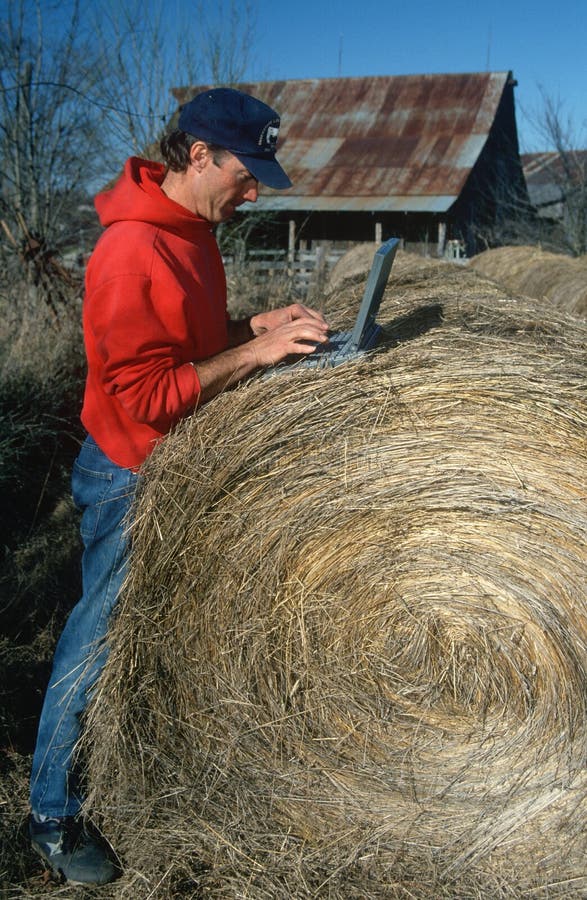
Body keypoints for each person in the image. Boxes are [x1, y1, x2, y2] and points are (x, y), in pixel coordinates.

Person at [29, 87, 329, 885]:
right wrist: (255, 359)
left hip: (174, 462)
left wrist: (252, 329)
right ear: (198, 156)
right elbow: (146, 397)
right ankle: (51, 812)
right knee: (94, 643)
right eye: (247, 171)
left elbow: (185, 349)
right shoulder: (132, 253)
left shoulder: (192, 230)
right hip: (129, 473)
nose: (256, 189)